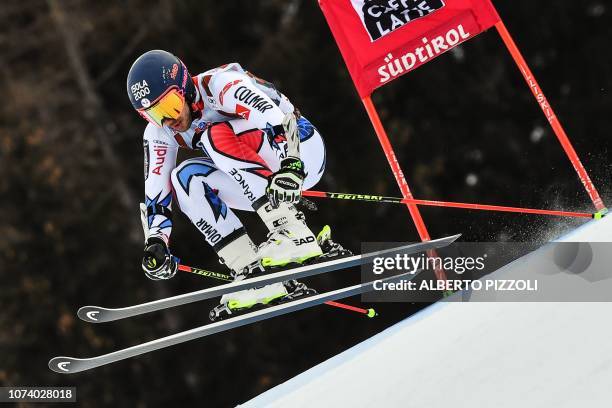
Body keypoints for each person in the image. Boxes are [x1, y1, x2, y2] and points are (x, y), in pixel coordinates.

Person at [126, 50, 330, 315]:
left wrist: (291, 164)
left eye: (170, 106)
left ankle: (293, 231)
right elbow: (156, 191)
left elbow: (278, 119)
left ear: (185, 87)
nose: (168, 119)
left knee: (212, 136)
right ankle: (251, 271)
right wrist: (156, 241)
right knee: (185, 179)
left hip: (301, 151)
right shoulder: (159, 132)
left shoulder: (219, 86)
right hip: (265, 178)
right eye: (154, 114)